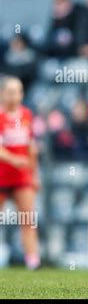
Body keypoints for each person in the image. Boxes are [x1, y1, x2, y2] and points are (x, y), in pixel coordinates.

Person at [0, 76, 41, 270]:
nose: (13, 96)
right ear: (2, 94)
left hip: (21, 176)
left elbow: (32, 148)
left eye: (17, 91)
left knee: (27, 218)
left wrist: (35, 175)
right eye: (9, 92)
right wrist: (13, 159)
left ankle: (32, 260)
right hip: (1, 174)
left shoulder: (27, 115)